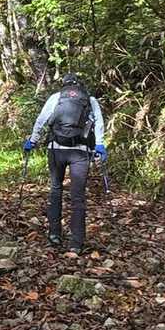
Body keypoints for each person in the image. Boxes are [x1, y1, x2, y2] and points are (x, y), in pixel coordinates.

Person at [23, 72, 106, 254]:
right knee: (78, 197)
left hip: (56, 149)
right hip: (80, 152)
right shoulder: (89, 99)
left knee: (55, 189)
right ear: (79, 85)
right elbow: (99, 123)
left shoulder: (56, 97)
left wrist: (32, 140)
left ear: (64, 84)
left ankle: (54, 234)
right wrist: (100, 144)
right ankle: (76, 242)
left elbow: (41, 120)